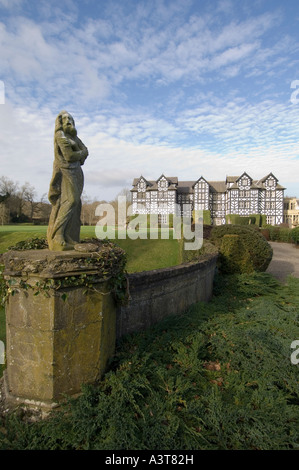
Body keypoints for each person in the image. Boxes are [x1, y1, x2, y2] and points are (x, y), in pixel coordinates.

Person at [47, 111, 88, 251]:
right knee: (70, 201)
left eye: (71, 119)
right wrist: (79, 153)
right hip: (66, 171)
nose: (69, 121)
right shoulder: (60, 135)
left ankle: (69, 236)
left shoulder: (74, 138)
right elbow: (69, 156)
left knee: (76, 204)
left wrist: (78, 150)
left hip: (77, 172)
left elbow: (86, 151)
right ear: (60, 122)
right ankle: (57, 235)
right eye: (65, 119)